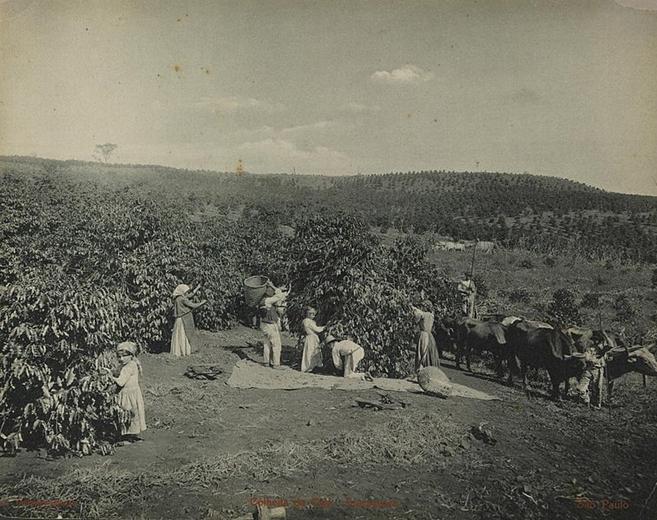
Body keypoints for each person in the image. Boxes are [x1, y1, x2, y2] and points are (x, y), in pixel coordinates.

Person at [103, 341, 146, 441]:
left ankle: (129, 437)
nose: (121, 359)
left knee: (128, 414)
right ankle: (129, 435)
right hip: (131, 393)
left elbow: (121, 382)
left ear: (131, 356)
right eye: (119, 356)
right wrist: (111, 371)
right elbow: (117, 372)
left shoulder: (129, 367)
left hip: (128, 394)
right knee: (131, 414)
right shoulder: (129, 364)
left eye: (124, 356)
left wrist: (109, 376)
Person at [171, 284, 207, 357]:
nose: (186, 293)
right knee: (186, 334)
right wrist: (203, 302)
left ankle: (180, 351)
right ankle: (185, 351)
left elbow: (190, 295)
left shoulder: (178, 298)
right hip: (184, 319)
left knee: (180, 335)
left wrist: (197, 287)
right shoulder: (182, 299)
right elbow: (194, 305)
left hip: (179, 319)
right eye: (185, 291)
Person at [259, 282, 289, 369]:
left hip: (264, 324)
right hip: (270, 325)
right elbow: (280, 295)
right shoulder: (268, 300)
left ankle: (266, 362)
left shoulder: (262, 300)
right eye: (271, 291)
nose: (273, 292)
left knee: (266, 343)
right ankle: (276, 364)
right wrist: (273, 285)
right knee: (276, 344)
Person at [412, 301, 441, 371]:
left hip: (423, 335)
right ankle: (429, 367)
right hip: (430, 335)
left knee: (422, 351)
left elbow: (416, 318)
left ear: (426, 307)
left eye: (423, 306)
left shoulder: (423, 314)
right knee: (429, 351)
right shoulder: (431, 315)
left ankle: (421, 367)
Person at [301, 306, 325, 372]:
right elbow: (317, 329)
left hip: (312, 337)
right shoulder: (307, 321)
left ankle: (313, 366)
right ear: (306, 313)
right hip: (311, 338)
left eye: (313, 314)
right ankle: (309, 367)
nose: (312, 315)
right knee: (311, 351)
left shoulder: (308, 321)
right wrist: (325, 327)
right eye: (310, 313)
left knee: (313, 351)